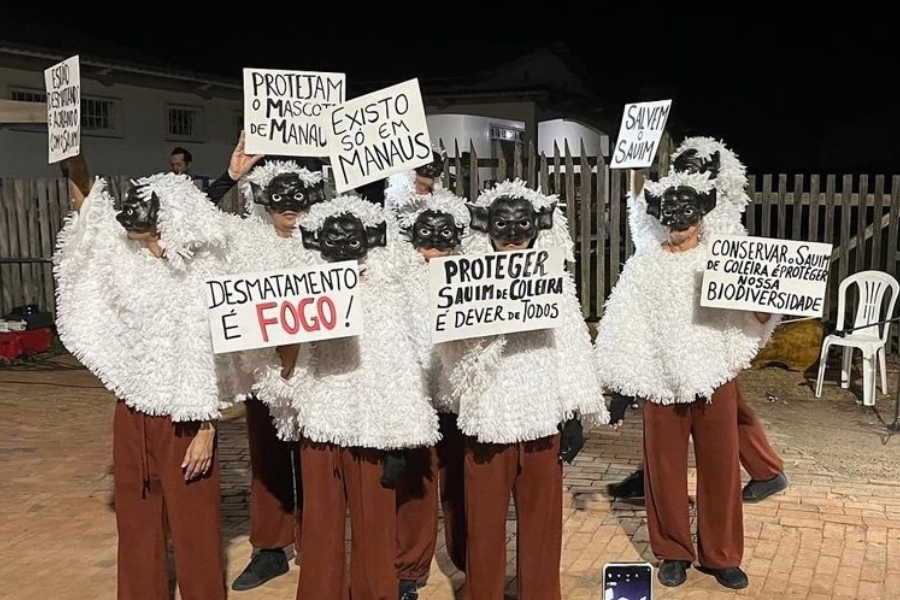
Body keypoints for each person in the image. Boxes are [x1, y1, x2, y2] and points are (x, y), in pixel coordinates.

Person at [592, 166, 781, 590]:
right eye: (671, 212)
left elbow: (754, 312)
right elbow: (624, 321)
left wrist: (765, 311)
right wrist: (622, 385)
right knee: (663, 469)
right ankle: (673, 550)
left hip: (714, 375)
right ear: (659, 214)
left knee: (722, 469)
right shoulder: (644, 264)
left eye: (688, 212)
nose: (680, 221)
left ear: (702, 214)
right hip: (661, 381)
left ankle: (722, 554)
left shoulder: (723, 258)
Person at [53, 172, 233, 600]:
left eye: (145, 207)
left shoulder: (203, 274)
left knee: (196, 527)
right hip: (132, 412)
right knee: (136, 521)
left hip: (188, 417)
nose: (130, 213)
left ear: (168, 217)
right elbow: (88, 217)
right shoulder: (121, 262)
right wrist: (73, 159)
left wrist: (207, 428)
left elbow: (216, 356)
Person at [438, 178, 609, 600]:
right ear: (485, 227)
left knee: (541, 524)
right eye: (502, 226)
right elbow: (450, 358)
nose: (513, 236)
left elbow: (571, 348)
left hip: (540, 418)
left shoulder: (555, 285)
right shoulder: (464, 285)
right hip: (487, 420)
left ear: (538, 228)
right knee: (483, 525)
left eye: (522, 226)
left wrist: (576, 413)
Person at [265, 194, 441, 600]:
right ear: (315, 242)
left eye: (352, 239)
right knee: (320, 531)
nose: (342, 248)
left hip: (370, 429)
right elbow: (284, 368)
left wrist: (398, 439)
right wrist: (288, 350)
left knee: (375, 530)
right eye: (333, 240)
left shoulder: (385, 292)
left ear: (371, 240)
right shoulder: (300, 290)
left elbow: (399, 364)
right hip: (321, 421)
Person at [604, 137, 789, 504]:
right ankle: (656, 474)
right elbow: (644, 217)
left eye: (694, 169)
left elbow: (742, 275)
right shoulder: (673, 207)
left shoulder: (722, 223)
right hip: (673, 323)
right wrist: (635, 171)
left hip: (710, 332)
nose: (684, 175)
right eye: (681, 168)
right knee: (671, 403)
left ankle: (766, 471)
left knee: (721, 405)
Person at [206, 132, 326, 591]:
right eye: (280, 196)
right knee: (268, 461)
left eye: (300, 195)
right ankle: (271, 548)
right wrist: (230, 175)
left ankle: (319, 544)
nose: (290, 205)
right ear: (263, 200)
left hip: (318, 372)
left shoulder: (328, 239)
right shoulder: (242, 239)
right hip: (263, 371)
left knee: (317, 462)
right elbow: (187, 219)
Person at [388, 186, 471, 599]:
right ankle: (408, 571)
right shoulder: (396, 282)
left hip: (459, 401)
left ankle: (471, 563)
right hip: (414, 400)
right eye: (425, 234)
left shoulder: (475, 278)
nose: (434, 243)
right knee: (414, 488)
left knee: (461, 488)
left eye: (444, 234)